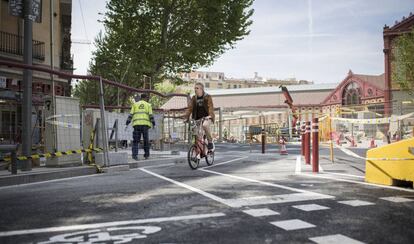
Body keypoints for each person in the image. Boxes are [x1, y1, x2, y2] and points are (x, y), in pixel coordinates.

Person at [184, 82, 215, 149]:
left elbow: (210, 107)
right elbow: (190, 108)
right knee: (196, 134)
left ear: (201, 89)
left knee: (205, 125)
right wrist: (186, 118)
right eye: (195, 88)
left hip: (207, 117)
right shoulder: (194, 98)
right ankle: (197, 153)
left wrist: (210, 116)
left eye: (197, 88)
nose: (195, 89)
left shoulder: (207, 97)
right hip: (197, 118)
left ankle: (210, 141)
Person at [126, 93, 155, 160]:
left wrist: (127, 123)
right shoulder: (148, 105)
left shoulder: (135, 105)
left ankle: (134, 156)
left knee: (136, 141)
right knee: (146, 141)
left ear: (140, 98)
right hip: (145, 125)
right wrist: (154, 124)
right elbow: (151, 116)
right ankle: (146, 155)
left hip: (136, 125)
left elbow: (131, 115)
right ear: (145, 98)